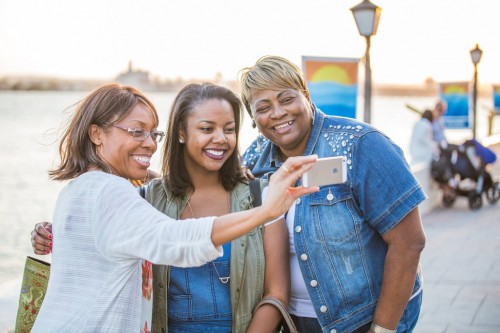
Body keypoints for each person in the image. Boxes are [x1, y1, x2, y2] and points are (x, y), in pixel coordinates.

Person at [29, 83, 318, 332]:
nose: (149, 144)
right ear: (97, 134)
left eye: (229, 129)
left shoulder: (84, 189)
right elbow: (175, 239)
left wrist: (52, 233)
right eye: (136, 132)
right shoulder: (138, 196)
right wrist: (265, 212)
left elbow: (276, 293)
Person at [239, 56, 427, 333]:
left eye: (286, 99)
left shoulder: (360, 145)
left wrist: (383, 329)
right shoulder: (253, 159)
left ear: (305, 94)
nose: (277, 113)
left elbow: (409, 242)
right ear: (253, 118)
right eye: (263, 108)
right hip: (292, 323)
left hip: (363, 321)